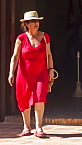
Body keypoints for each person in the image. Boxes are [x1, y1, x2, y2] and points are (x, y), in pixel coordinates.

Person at [8, 10, 57, 138]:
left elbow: (49, 54)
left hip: (41, 72)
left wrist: (51, 69)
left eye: (37, 21)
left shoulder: (45, 37)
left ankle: (39, 127)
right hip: (24, 74)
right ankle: (26, 126)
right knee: (24, 98)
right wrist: (11, 73)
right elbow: (15, 56)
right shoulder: (21, 38)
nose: (36, 23)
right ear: (26, 24)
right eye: (33, 21)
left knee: (40, 97)